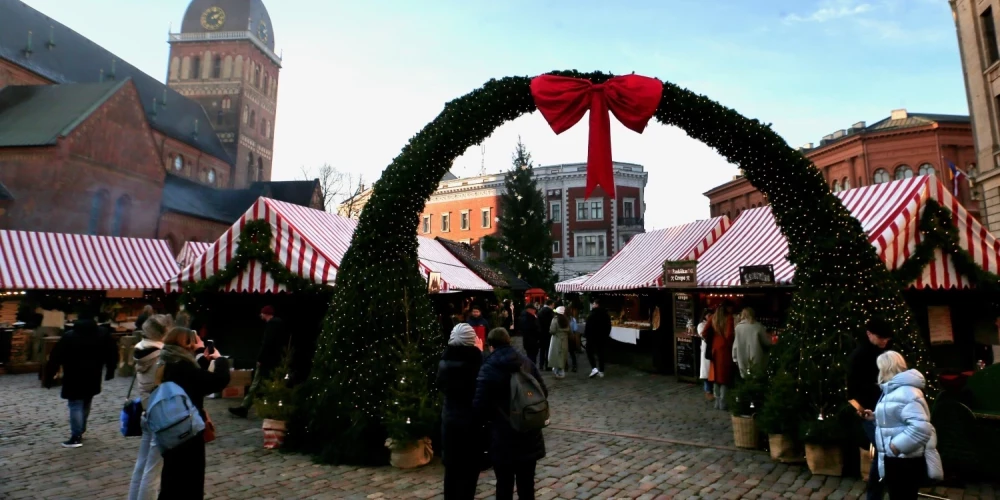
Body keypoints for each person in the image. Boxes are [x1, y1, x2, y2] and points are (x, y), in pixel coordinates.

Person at [156, 327, 230, 499]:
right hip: (186, 429)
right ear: (187, 343)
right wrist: (220, 360)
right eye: (196, 339)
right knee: (189, 479)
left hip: (171, 426)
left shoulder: (169, 361)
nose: (201, 341)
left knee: (172, 478)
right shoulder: (183, 366)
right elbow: (216, 381)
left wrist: (202, 361)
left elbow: (194, 380)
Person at [474, 328, 546, 500]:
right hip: (529, 431)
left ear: (491, 346)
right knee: (527, 484)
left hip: (502, 435)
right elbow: (543, 391)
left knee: (504, 484)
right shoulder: (526, 362)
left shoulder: (489, 367)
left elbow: (479, 406)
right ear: (508, 341)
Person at [862, 351, 942, 499]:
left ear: (887, 369)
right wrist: (875, 417)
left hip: (904, 461)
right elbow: (897, 417)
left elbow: (921, 428)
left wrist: (896, 446)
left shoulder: (907, 392)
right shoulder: (895, 390)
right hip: (897, 459)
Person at [43, 310, 118, 448]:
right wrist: (110, 370)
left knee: (75, 404)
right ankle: (80, 429)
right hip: (94, 374)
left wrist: (48, 376)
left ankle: (76, 435)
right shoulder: (102, 334)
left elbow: (55, 358)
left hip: (73, 374)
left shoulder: (69, 336)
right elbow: (112, 353)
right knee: (86, 401)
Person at [437, 324, 485, 499]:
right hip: (470, 422)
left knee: (451, 470)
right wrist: (479, 352)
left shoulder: (444, 362)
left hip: (449, 419)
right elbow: (482, 383)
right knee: (469, 472)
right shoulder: (475, 362)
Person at [128, 314, 173, 500]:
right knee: (153, 471)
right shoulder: (162, 356)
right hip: (160, 413)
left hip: (147, 411)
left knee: (142, 465)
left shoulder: (140, 350)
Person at [848, 318, 893, 499]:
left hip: (888, 409)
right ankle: (874, 494)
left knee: (885, 452)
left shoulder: (888, 352)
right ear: (869, 334)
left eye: (886, 338)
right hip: (869, 412)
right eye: (881, 337)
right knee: (882, 450)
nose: (884, 341)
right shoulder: (859, 356)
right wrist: (861, 409)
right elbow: (852, 390)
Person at [230, 306, 288, 418]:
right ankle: (270, 408)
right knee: (272, 384)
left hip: (267, 360)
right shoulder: (280, 325)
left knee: (256, 384)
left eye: (261, 314)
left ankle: (244, 408)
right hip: (276, 360)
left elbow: (267, 343)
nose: (260, 316)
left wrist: (261, 359)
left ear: (265, 313)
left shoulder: (271, 325)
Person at [706, 305, 735, 410]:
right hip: (724, 349)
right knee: (724, 376)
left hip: (714, 349)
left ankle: (717, 401)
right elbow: (729, 335)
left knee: (715, 376)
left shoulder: (712, 318)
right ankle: (723, 401)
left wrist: (711, 341)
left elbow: (704, 331)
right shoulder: (729, 318)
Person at [732, 307, 772, 378]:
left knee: (744, 378)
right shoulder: (758, 327)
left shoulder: (738, 328)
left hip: (742, 356)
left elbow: (735, 345)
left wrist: (734, 357)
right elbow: (766, 343)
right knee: (755, 378)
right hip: (756, 356)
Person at [584, 298, 612, 379]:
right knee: (601, 354)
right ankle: (601, 371)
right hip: (602, 337)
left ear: (597, 305)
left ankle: (594, 368)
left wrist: (587, 336)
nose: (593, 305)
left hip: (592, 337)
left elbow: (588, 327)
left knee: (589, 352)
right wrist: (606, 335)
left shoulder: (592, 315)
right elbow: (608, 326)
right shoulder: (606, 315)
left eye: (593, 304)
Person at [548, 306, 571, 378]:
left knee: (555, 355)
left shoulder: (555, 320)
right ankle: (562, 371)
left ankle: (556, 371)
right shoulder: (566, 320)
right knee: (562, 355)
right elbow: (569, 330)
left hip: (556, 339)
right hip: (564, 340)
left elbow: (552, 330)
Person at [697, 309, 714, 401]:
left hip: (713, 349)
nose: (710, 317)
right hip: (706, 349)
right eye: (708, 315)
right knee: (706, 372)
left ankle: (713, 390)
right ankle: (708, 390)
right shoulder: (701, 325)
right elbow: (703, 335)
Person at [535, 300, 555, 371]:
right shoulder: (550, 312)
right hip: (548, 333)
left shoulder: (540, 311)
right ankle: (547, 365)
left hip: (541, 333)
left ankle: (541, 365)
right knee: (548, 350)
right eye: (553, 305)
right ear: (551, 304)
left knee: (542, 350)